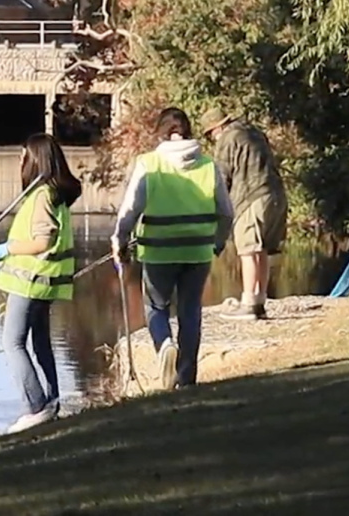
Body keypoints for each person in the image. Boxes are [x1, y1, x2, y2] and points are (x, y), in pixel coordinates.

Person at [112, 107, 233, 390]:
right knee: (190, 311)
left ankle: (164, 344)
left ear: (160, 131)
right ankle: (186, 377)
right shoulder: (207, 165)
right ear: (189, 131)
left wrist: (120, 240)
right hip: (198, 252)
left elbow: (130, 211)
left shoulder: (148, 164)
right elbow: (226, 212)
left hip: (158, 251)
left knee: (156, 306)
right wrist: (219, 241)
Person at [0, 133, 82, 433]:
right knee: (40, 343)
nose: (18, 162)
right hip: (43, 282)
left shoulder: (40, 197)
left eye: (22, 156)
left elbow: (40, 241)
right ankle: (51, 401)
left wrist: (4, 249)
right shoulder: (53, 194)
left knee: (12, 343)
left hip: (31, 282)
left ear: (33, 159)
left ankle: (35, 406)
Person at [199, 107, 289, 321]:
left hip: (250, 198)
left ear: (217, 128)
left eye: (211, 134)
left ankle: (249, 304)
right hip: (275, 194)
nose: (212, 138)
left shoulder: (227, 139)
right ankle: (258, 301)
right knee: (262, 250)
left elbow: (221, 176)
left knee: (248, 250)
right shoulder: (254, 133)